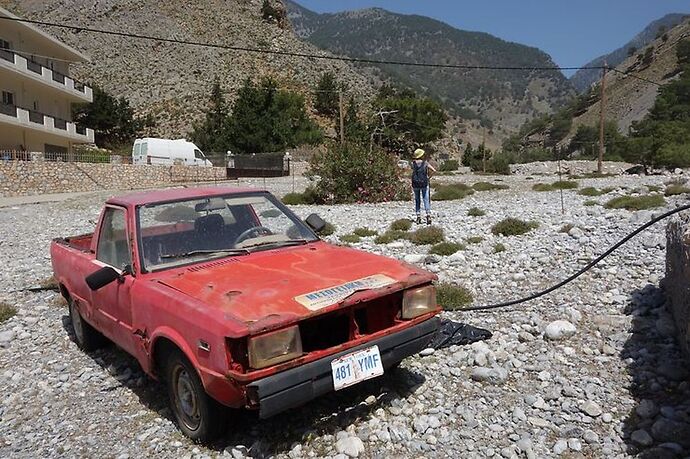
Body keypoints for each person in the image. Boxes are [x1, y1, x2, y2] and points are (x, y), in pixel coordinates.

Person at [410, 148, 436, 225]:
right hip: (424, 183)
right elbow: (434, 170)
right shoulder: (425, 163)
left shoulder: (413, 163)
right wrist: (428, 177)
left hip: (415, 183)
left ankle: (418, 217)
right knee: (426, 199)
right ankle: (428, 215)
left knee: (417, 200)